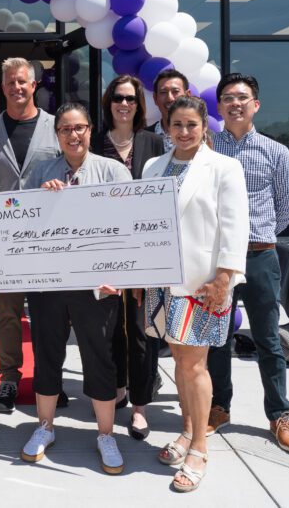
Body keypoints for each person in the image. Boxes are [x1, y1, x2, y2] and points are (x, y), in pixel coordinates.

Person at [139, 95, 249, 492]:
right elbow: (143, 222)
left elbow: (236, 229)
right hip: (163, 282)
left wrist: (224, 280)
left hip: (203, 285)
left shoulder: (224, 167)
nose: (184, 132)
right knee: (180, 359)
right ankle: (187, 430)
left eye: (191, 125)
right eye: (177, 125)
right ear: (166, 128)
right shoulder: (154, 165)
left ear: (205, 127)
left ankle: (200, 448)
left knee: (194, 366)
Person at [19, 103, 131, 475]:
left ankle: (105, 434)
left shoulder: (113, 171)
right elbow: (22, 222)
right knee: (47, 353)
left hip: (96, 286)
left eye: (79, 128)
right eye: (65, 129)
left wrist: (121, 274)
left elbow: (131, 225)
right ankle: (45, 427)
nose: (73, 135)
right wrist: (42, 201)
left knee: (98, 356)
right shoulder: (41, 171)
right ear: (58, 135)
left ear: (90, 129)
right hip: (49, 283)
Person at [206, 73, 289, 454]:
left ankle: (279, 414)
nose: (235, 104)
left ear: (255, 105)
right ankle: (219, 406)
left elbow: (285, 210)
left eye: (242, 98)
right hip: (217, 262)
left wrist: (255, 236)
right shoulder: (207, 150)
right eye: (228, 98)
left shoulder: (276, 152)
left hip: (260, 255)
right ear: (219, 107)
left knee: (268, 340)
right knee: (218, 338)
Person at [0, 57, 60, 413]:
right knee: (7, 313)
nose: (16, 87)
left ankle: (48, 379)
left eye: (22, 81)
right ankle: (8, 379)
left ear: (34, 84)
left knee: (48, 315)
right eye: (10, 82)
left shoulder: (57, 128)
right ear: (3, 85)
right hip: (7, 242)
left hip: (51, 238)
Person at [90, 75, 164, 441]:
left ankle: (139, 406)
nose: (124, 104)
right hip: (101, 252)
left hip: (142, 252)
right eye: (118, 98)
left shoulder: (153, 142)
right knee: (108, 328)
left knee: (139, 330)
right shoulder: (94, 142)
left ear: (138, 105)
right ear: (109, 102)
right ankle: (117, 385)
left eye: (131, 99)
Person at [150, 69, 190, 153]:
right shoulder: (143, 137)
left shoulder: (202, 136)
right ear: (155, 98)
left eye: (175, 91)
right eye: (163, 92)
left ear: (188, 96)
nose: (170, 98)